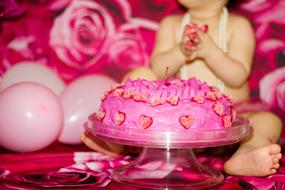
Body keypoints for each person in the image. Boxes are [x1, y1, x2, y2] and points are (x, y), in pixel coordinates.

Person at [81, 0, 283, 177]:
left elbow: (238, 77)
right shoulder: (172, 24)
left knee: (268, 121)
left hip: (228, 124)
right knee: (141, 73)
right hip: (173, 126)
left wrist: (210, 51)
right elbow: (158, 71)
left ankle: (246, 154)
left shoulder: (237, 26)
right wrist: (179, 52)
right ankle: (120, 142)